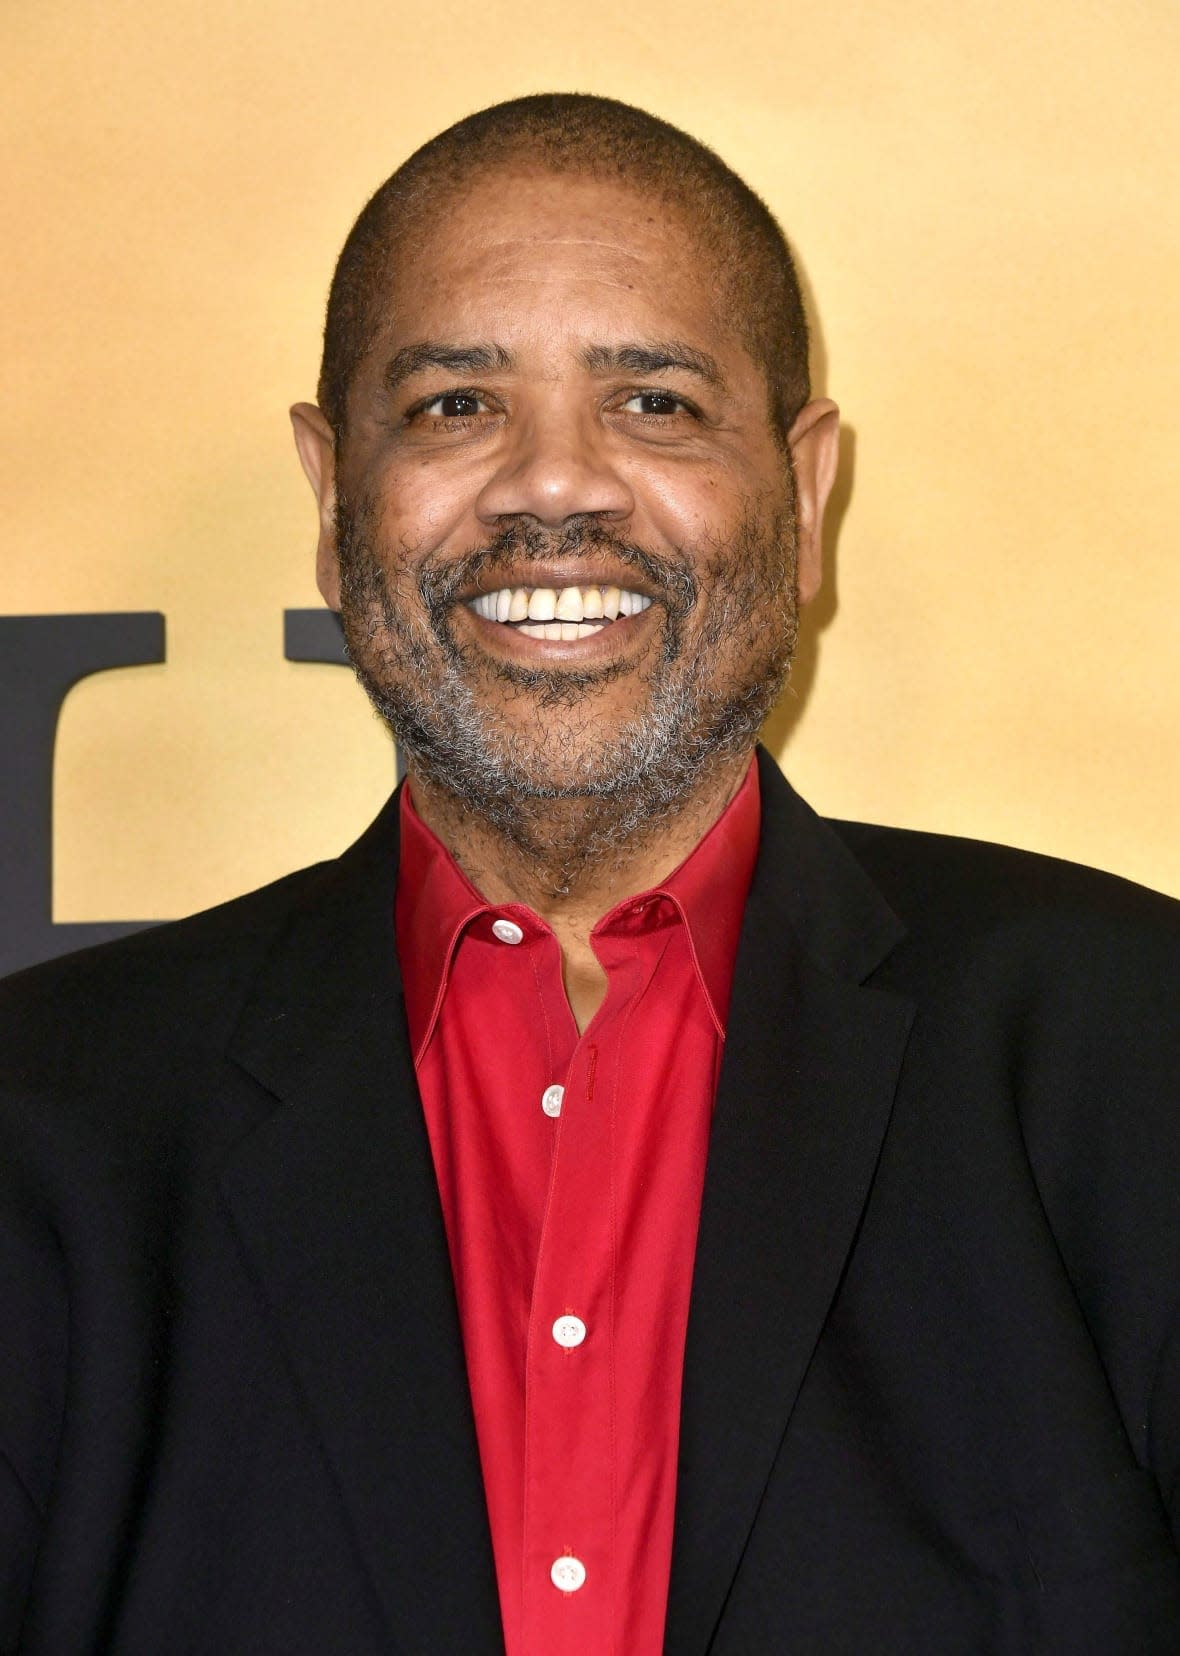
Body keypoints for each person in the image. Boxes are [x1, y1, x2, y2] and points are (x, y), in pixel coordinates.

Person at [1, 92, 1178, 1656]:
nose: (554, 489)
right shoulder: (43, 1124)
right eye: (451, 407)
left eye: (658, 403)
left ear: (806, 494)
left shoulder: (1135, 1052)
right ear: (330, 498)